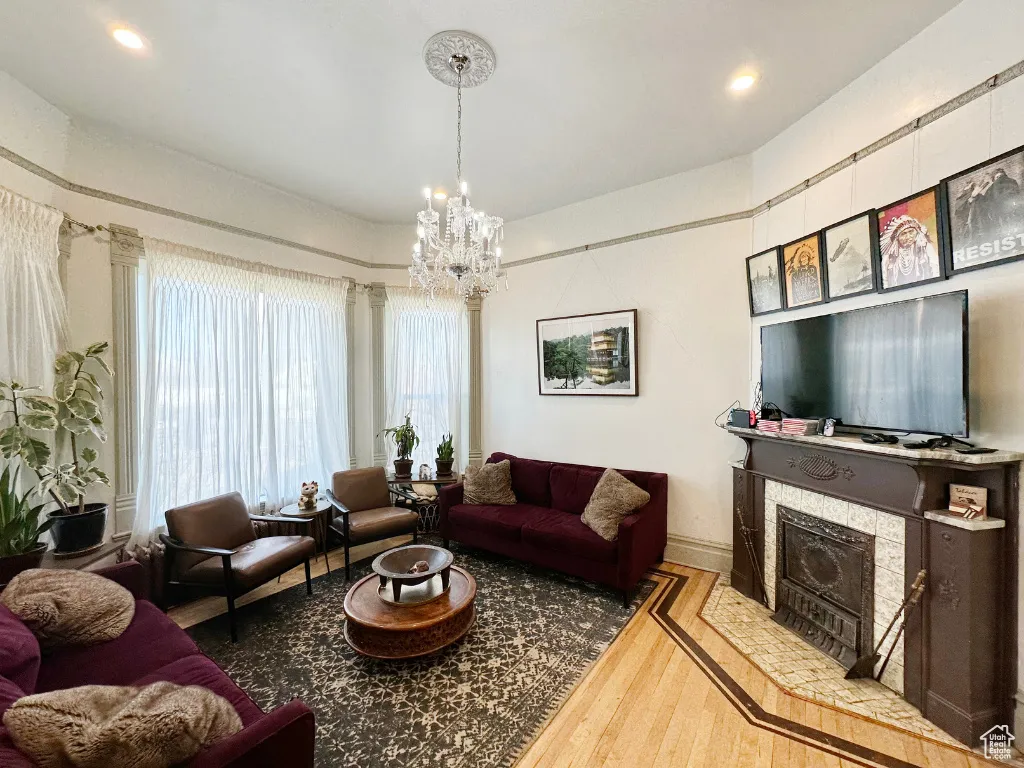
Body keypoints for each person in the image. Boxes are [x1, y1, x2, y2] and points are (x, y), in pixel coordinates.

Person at [878, 214, 937, 287]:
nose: (908, 237)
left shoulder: (924, 247)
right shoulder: (889, 256)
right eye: (904, 234)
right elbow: (884, 281)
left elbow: (936, 270)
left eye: (911, 232)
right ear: (897, 238)